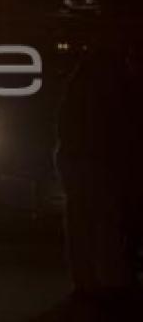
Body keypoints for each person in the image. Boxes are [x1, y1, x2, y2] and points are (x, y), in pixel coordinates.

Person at [54, 36, 143, 316]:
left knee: (80, 222)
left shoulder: (80, 85)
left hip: (74, 156)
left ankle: (86, 282)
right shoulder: (114, 86)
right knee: (106, 223)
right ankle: (114, 283)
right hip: (95, 159)